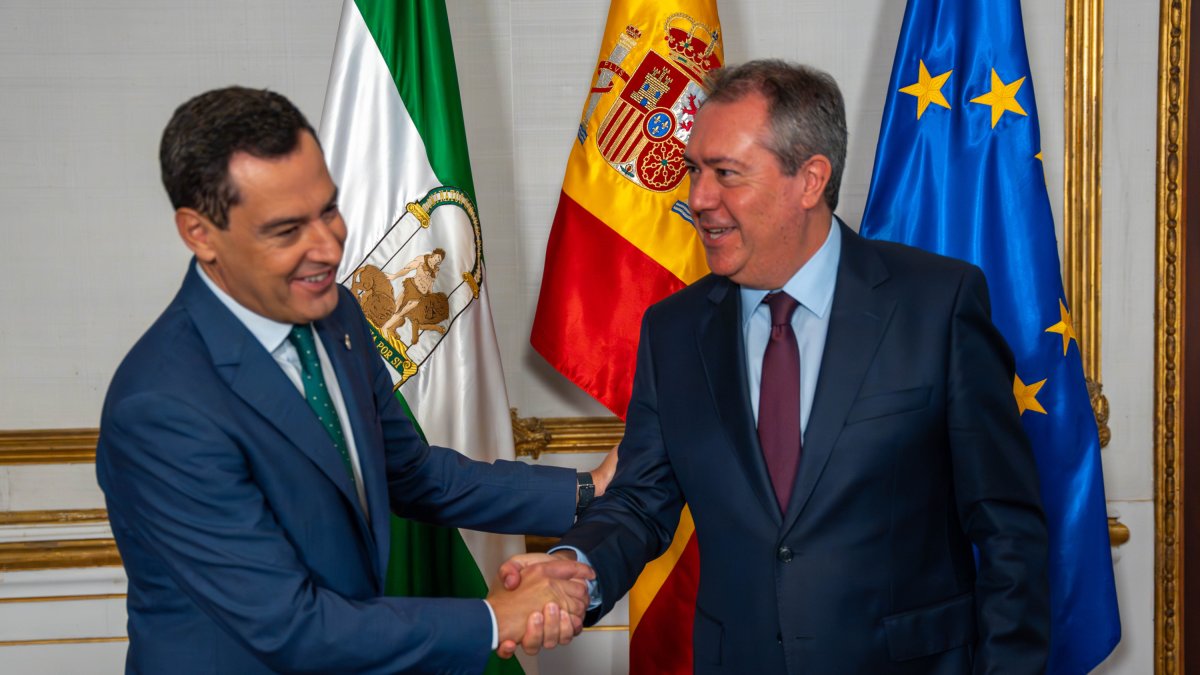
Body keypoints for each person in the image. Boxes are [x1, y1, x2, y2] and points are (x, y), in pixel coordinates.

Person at [503, 60, 1050, 673]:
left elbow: (1009, 529)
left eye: (726, 174)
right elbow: (640, 500)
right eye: (693, 170)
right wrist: (576, 569)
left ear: (810, 179)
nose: (698, 199)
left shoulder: (937, 305)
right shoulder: (674, 331)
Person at [96, 86, 610, 674]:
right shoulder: (161, 407)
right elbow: (292, 627)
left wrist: (588, 490)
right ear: (200, 233)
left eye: (329, 210)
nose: (329, 246)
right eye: (287, 230)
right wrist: (497, 618)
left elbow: (411, 473)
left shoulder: (335, 314)